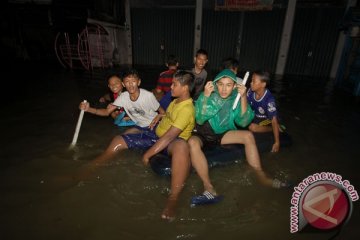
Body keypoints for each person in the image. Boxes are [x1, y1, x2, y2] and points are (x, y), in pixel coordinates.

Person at [188, 69, 287, 207]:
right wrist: (205, 96)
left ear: (234, 86)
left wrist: (243, 97)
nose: (224, 89)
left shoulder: (236, 98)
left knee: (248, 135)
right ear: (216, 84)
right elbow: (199, 118)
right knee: (192, 142)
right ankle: (208, 187)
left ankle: (262, 176)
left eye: (228, 85)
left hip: (221, 134)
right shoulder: (208, 94)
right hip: (203, 133)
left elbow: (244, 122)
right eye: (221, 84)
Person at [142, 70, 195, 220]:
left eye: (174, 84)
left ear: (185, 88)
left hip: (172, 144)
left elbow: (171, 136)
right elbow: (171, 116)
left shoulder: (187, 108)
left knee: (181, 146)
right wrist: (161, 115)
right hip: (156, 135)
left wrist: (148, 154)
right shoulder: (175, 100)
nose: (170, 87)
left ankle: (173, 199)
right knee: (122, 138)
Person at [79, 68, 165, 129]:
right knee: (117, 139)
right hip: (139, 126)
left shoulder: (148, 96)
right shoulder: (123, 97)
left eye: (133, 82)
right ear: (124, 84)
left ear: (139, 82)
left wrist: (159, 117)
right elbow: (106, 112)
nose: (130, 85)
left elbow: (162, 112)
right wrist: (88, 109)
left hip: (153, 125)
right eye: (127, 82)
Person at [247, 71, 282, 153]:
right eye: (251, 80)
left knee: (253, 128)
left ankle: (274, 128)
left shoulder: (269, 100)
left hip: (267, 120)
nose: (251, 83)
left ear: (263, 84)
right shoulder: (250, 92)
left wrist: (277, 142)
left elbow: (273, 120)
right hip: (256, 116)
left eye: (254, 81)